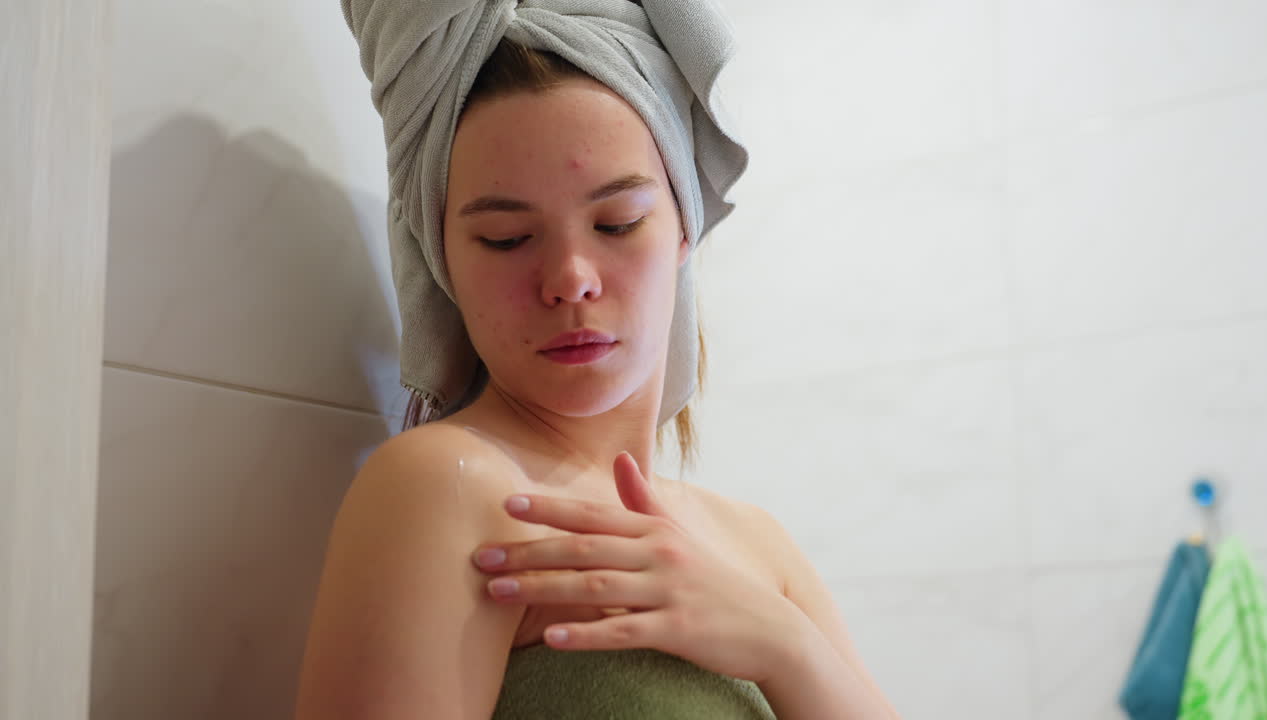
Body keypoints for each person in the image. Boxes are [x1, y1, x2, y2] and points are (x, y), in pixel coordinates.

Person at [294, 5, 900, 719]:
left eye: (617, 222)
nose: (570, 278)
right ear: (443, 259)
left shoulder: (755, 544)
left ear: (683, 226)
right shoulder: (446, 488)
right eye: (506, 238)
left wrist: (784, 646)